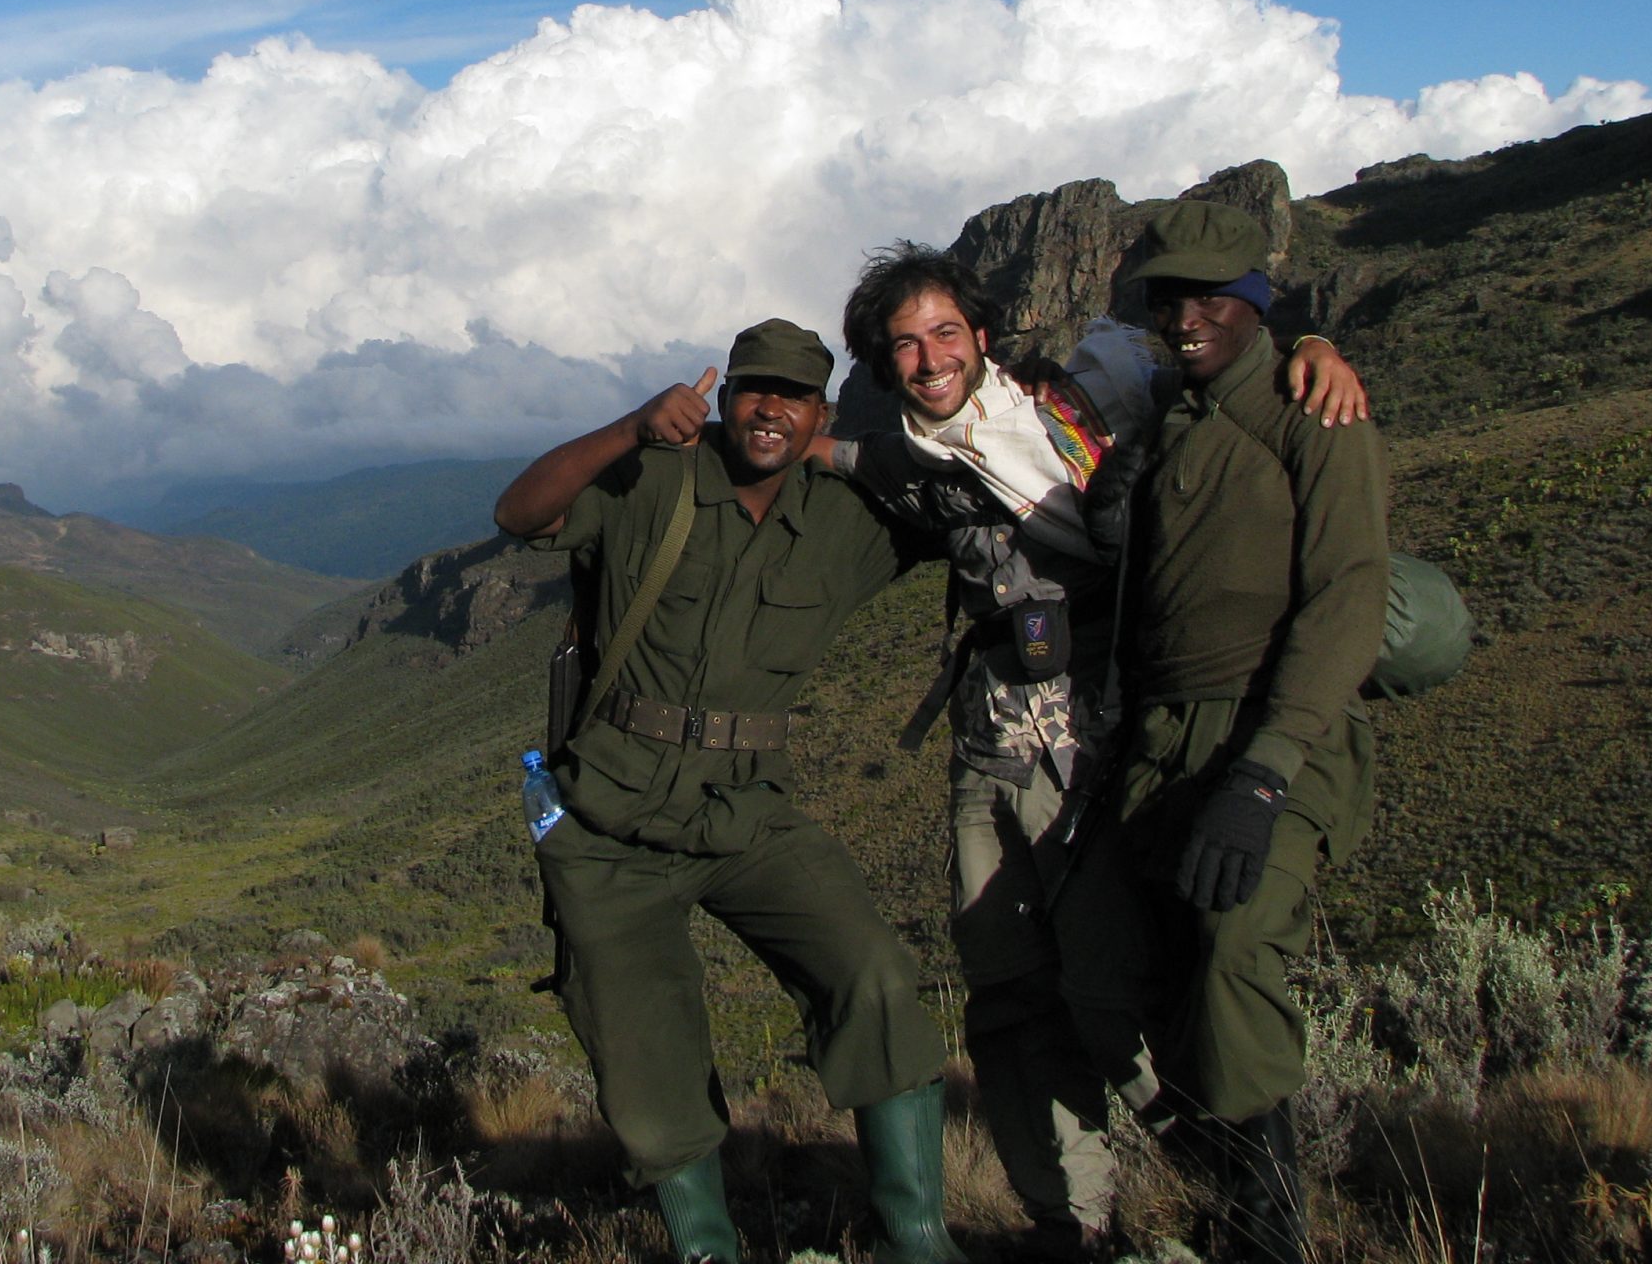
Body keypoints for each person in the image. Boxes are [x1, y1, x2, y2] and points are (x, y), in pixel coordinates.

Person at [821, 244, 1366, 1262]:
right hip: (988, 744)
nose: (930, 356)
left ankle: (1239, 1193)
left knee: (1114, 985)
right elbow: (832, 461)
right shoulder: (896, 451)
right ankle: (1068, 1219)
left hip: (1101, 735)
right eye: (904, 343)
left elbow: (1211, 356)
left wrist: (1315, 343)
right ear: (881, 362)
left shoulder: (1080, 395)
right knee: (1010, 988)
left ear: (982, 335)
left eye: (946, 333)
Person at [495, 318, 963, 1264]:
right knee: (644, 1046)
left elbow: (980, 492)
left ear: (819, 413)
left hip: (749, 809)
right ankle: (708, 1247)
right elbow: (519, 513)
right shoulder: (651, 480)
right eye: (755, 390)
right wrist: (630, 426)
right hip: (611, 813)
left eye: (793, 397)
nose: (770, 411)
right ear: (726, 395)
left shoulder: (847, 516)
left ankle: (919, 1237)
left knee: (871, 972)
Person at [1108, 201, 1388, 1264]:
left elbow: (1348, 594)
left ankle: (1268, 1233)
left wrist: (1265, 772)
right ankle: (1216, 1188)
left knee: (1232, 946)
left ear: (1257, 304)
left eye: (1210, 297)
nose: (1186, 317)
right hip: (1158, 741)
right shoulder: (1168, 412)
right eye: (1169, 298)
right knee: (1134, 969)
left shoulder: (1310, 411)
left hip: (1272, 729)